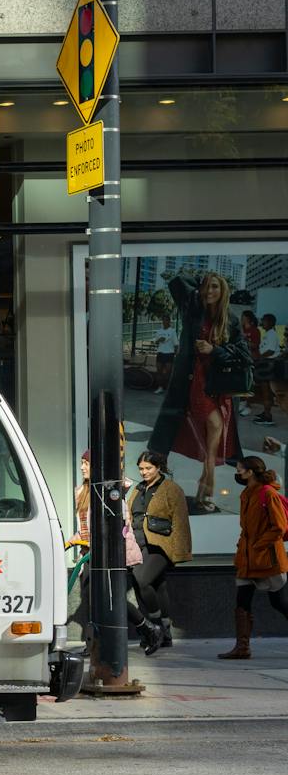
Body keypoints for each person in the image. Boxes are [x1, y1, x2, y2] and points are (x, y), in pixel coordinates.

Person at [147, 272, 245, 512]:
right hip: (193, 382)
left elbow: (242, 354)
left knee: (216, 430)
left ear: (223, 291)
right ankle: (207, 478)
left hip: (218, 385)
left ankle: (205, 486)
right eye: (205, 287)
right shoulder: (193, 308)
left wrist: (215, 350)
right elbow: (180, 281)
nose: (209, 291)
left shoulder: (231, 320)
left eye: (214, 287)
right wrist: (201, 278)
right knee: (213, 425)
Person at [70, 451, 162, 652]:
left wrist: (92, 542)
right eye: (81, 463)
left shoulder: (110, 494)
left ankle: (147, 628)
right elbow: (85, 525)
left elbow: (115, 526)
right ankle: (93, 643)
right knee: (91, 598)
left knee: (108, 597)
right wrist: (72, 540)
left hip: (108, 554)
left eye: (86, 463)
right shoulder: (81, 492)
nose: (82, 467)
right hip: (89, 553)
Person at [220, 455, 288, 659]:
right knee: (242, 601)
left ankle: (242, 648)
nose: (237, 473)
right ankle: (242, 647)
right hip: (247, 558)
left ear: (250, 472)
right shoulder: (246, 494)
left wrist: (258, 545)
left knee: (279, 602)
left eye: (240, 469)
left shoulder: (268, 494)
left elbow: (280, 526)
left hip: (267, 559)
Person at [127, 450, 192, 652]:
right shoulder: (137, 490)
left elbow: (181, 521)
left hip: (161, 544)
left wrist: (179, 550)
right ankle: (164, 632)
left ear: (159, 468)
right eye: (141, 468)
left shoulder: (171, 489)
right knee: (156, 585)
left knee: (142, 580)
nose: (144, 472)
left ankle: (154, 626)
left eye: (148, 468)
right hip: (138, 544)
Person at [259, 314, 284, 425]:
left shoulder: (272, 334)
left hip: (268, 364)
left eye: (264, 321)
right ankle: (265, 412)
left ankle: (267, 416)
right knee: (265, 390)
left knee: (266, 391)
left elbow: (270, 351)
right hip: (266, 363)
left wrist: (259, 358)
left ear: (270, 322)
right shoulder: (268, 334)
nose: (262, 322)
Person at [152, 313, 178, 395]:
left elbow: (176, 344)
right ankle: (160, 388)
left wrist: (175, 354)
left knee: (167, 373)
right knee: (159, 372)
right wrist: (159, 340)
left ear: (169, 321)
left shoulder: (172, 331)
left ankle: (167, 389)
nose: (164, 322)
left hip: (169, 354)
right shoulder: (159, 331)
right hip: (160, 353)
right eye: (163, 320)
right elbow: (155, 342)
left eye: (166, 320)